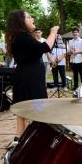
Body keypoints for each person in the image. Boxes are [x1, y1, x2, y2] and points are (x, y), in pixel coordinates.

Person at [5, 10, 58, 138]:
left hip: (26, 76)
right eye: (29, 17)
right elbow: (44, 48)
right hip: (30, 79)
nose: (32, 19)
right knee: (37, 109)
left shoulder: (19, 36)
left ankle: (19, 140)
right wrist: (53, 32)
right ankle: (37, 139)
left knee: (22, 110)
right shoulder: (22, 36)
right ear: (21, 21)